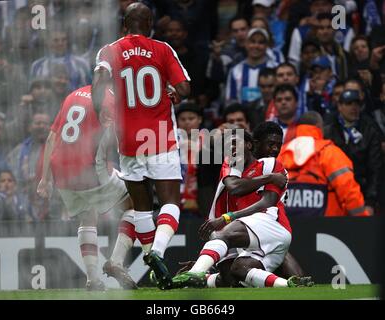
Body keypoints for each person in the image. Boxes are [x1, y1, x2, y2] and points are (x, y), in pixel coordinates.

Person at [92, 2, 191, 290]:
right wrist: (173, 91)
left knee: (142, 208)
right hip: (160, 136)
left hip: (129, 142)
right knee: (170, 202)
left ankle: (153, 261)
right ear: (149, 24)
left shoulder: (109, 51)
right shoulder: (162, 49)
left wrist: (101, 109)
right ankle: (157, 253)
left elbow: (98, 80)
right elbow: (184, 88)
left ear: (124, 25)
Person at [172, 123, 313, 289]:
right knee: (234, 275)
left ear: (249, 144)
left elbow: (267, 203)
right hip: (247, 226)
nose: (274, 149)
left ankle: (195, 274)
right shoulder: (234, 164)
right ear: (255, 143)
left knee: (223, 236)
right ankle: (288, 285)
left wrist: (228, 217)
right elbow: (235, 187)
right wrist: (268, 178)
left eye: (278, 145)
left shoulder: (271, 164)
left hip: (269, 222)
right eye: (270, 144)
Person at [37, 85, 137, 291]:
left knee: (87, 216)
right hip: (90, 171)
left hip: (61, 174)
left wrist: (44, 178)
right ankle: (116, 261)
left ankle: (93, 280)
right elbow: (114, 138)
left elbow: (51, 138)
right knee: (136, 202)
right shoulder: (112, 101)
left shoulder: (73, 95)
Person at [278, 111, 371, 217]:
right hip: (327, 228)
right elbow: (348, 190)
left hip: (286, 228)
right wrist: (363, 220)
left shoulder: (281, 154)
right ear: (319, 127)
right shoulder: (329, 152)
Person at [323, 90, 383, 215]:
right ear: (339, 106)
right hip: (335, 196)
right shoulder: (328, 131)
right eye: (349, 103)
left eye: (357, 104)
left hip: (362, 195)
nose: (354, 107)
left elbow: (375, 169)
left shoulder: (370, 131)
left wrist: (370, 202)